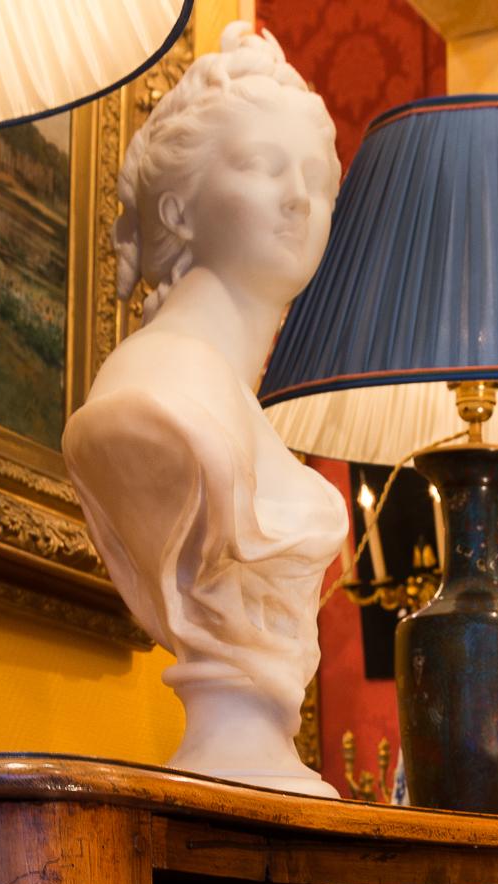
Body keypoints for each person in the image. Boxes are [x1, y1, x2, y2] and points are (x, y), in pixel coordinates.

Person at [63, 25, 345, 796]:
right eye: (262, 165)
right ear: (179, 210)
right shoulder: (153, 403)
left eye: (318, 179)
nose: (301, 199)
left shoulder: (238, 413)